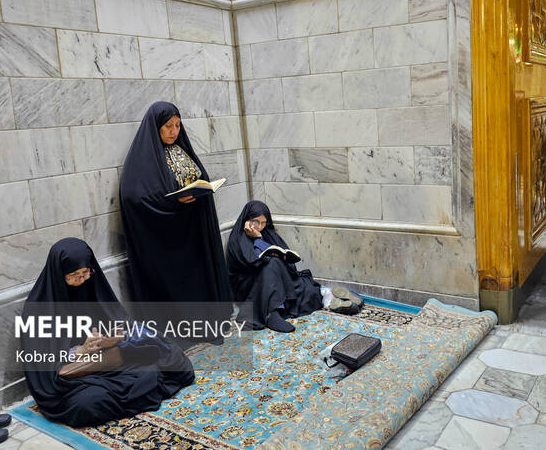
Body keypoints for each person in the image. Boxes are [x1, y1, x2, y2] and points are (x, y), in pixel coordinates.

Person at [21, 238, 194, 427]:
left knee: (173, 359)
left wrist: (114, 338)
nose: (81, 280)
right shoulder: (38, 309)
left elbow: (122, 324)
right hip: (74, 381)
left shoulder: (91, 285)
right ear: (58, 274)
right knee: (85, 405)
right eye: (73, 275)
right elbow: (43, 369)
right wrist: (79, 351)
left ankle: (135, 392)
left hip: (109, 362)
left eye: (85, 273)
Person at [119, 101, 232, 343]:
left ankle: (207, 327)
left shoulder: (181, 149)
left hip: (193, 231)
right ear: (155, 127)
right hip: (168, 239)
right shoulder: (144, 159)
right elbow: (133, 196)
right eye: (168, 126)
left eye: (178, 125)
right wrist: (171, 202)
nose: (174, 131)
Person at [226, 201, 323, 332]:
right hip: (247, 283)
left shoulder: (267, 232)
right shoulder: (239, 238)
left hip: (270, 281)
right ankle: (271, 313)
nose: (259, 226)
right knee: (272, 263)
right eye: (255, 221)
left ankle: (335, 299)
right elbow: (253, 262)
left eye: (263, 222)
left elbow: (284, 257)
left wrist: (283, 257)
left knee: (309, 290)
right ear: (247, 220)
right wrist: (258, 239)